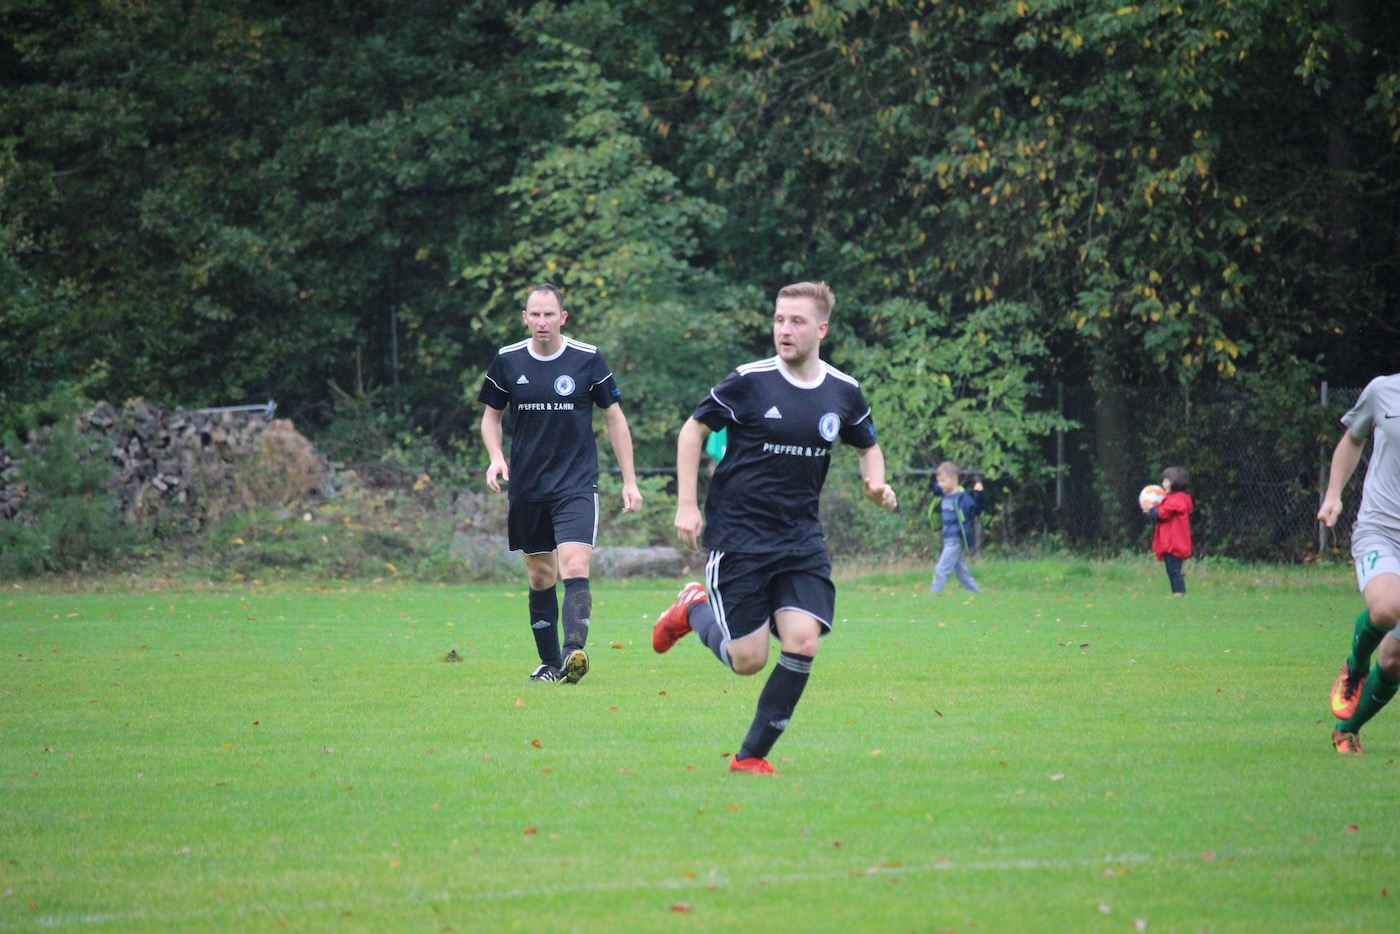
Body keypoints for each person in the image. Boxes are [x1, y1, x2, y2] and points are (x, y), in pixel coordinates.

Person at [650, 281, 898, 774]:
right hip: (740, 537)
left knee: (803, 640)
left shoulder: (843, 391)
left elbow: (867, 445)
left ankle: (750, 757)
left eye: (796, 321)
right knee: (748, 660)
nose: (784, 329)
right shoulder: (750, 381)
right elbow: (693, 429)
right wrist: (687, 504)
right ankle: (693, 608)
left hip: (800, 538)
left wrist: (876, 483)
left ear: (821, 329)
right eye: (779, 320)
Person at [478, 283, 642, 684]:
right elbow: (491, 417)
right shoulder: (508, 360)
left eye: (549, 314)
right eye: (535, 314)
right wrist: (496, 457)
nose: (542, 322)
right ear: (525, 318)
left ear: (563, 317)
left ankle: (573, 653)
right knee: (540, 576)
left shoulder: (587, 359)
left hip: (576, 483)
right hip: (528, 486)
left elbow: (614, 418)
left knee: (575, 564)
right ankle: (551, 664)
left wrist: (630, 480)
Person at [1319, 373, 1400, 754]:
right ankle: (1355, 665)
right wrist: (1333, 494)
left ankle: (1346, 730)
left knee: (1394, 659)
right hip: (1380, 529)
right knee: (1385, 608)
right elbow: (1353, 438)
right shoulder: (1384, 391)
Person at [927, 461, 984, 594]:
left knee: (941, 569)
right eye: (939, 481)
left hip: (955, 539)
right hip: (947, 538)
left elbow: (976, 511)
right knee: (961, 572)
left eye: (943, 481)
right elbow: (935, 490)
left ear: (954, 479)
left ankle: (933, 595)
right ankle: (975, 593)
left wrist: (979, 494)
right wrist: (937, 486)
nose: (940, 484)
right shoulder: (943, 496)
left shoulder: (963, 498)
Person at [1142, 466, 1193, 596]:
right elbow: (1160, 517)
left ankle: (1179, 594)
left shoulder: (1177, 500)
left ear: (1175, 482)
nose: (1163, 484)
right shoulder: (1174, 499)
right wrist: (1150, 512)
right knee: (1172, 570)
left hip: (1174, 544)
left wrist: (1151, 509)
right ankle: (1178, 593)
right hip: (1170, 542)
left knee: (1174, 571)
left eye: (1166, 481)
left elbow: (1162, 514)